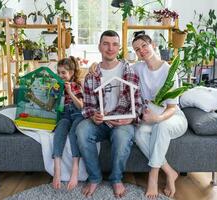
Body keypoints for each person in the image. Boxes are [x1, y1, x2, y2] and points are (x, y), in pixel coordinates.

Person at [76, 30, 143, 198]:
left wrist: (130, 118)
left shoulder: (129, 71)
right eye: (106, 44)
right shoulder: (92, 74)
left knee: (121, 138)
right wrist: (93, 115)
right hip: (100, 122)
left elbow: (138, 103)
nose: (110, 48)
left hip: (123, 121)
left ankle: (116, 179)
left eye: (114, 44)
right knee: (82, 130)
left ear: (119, 47)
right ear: (99, 47)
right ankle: (94, 177)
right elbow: (89, 105)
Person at [131, 31, 188, 198]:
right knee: (139, 134)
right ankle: (170, 171)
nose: (141, 50)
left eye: (144, 45)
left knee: (161, 126)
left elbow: (171, 107)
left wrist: (158, 118)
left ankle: (153, 176)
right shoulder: (138, 68)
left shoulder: (169, 71)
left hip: (173, 117)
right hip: (152, 118)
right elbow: (119, 67)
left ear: (153, 45)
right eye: (137, 49)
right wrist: (94, 65)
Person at [52, 56, 84, 190]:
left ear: (71, 73)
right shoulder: (57, 86)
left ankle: (75, 169)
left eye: (63, 73)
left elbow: (81, 106)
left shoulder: (77, 85)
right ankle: (57, 168)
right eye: (59, 73)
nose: (61, 75)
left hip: (77, 115)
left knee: (73, 133)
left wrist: (70, 92)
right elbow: (53, 106)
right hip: (64, 115)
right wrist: (54, 93)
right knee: (60, 130)